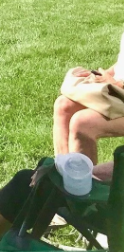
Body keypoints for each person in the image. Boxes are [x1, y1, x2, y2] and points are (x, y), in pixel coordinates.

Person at [53, 31, 124, 163]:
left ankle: (80, 176)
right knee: (63, 105)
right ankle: (62, 170)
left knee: (83, 122)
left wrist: (117, 84)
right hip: (118, 93)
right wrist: (102, 75)